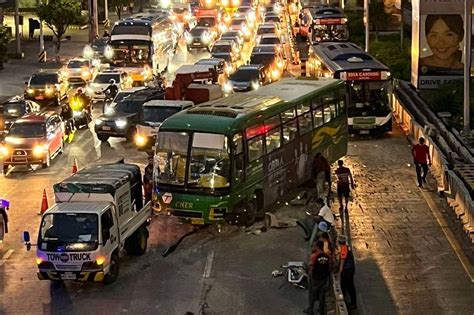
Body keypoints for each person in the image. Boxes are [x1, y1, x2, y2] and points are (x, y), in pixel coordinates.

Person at [304, 240, 331, 315]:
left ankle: (310, 309)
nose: (313, 247)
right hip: (324, 278)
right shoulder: (327, 256)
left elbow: (311, 267)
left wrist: (310, 276)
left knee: (312, 294)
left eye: (314, 246)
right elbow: (329, 266)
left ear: (317, 247)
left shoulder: (314, 256)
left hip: (315, 279)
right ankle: (321, 311)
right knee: (321, 295)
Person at [338, 235, 357, 310]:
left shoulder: (343, 249)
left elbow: (342, 262)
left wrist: (339, 273)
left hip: (348, 270)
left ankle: (353, 303)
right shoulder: (345, 248)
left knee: (349, 286)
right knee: (344, 285)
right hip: (349, 269)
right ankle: (344, 299)